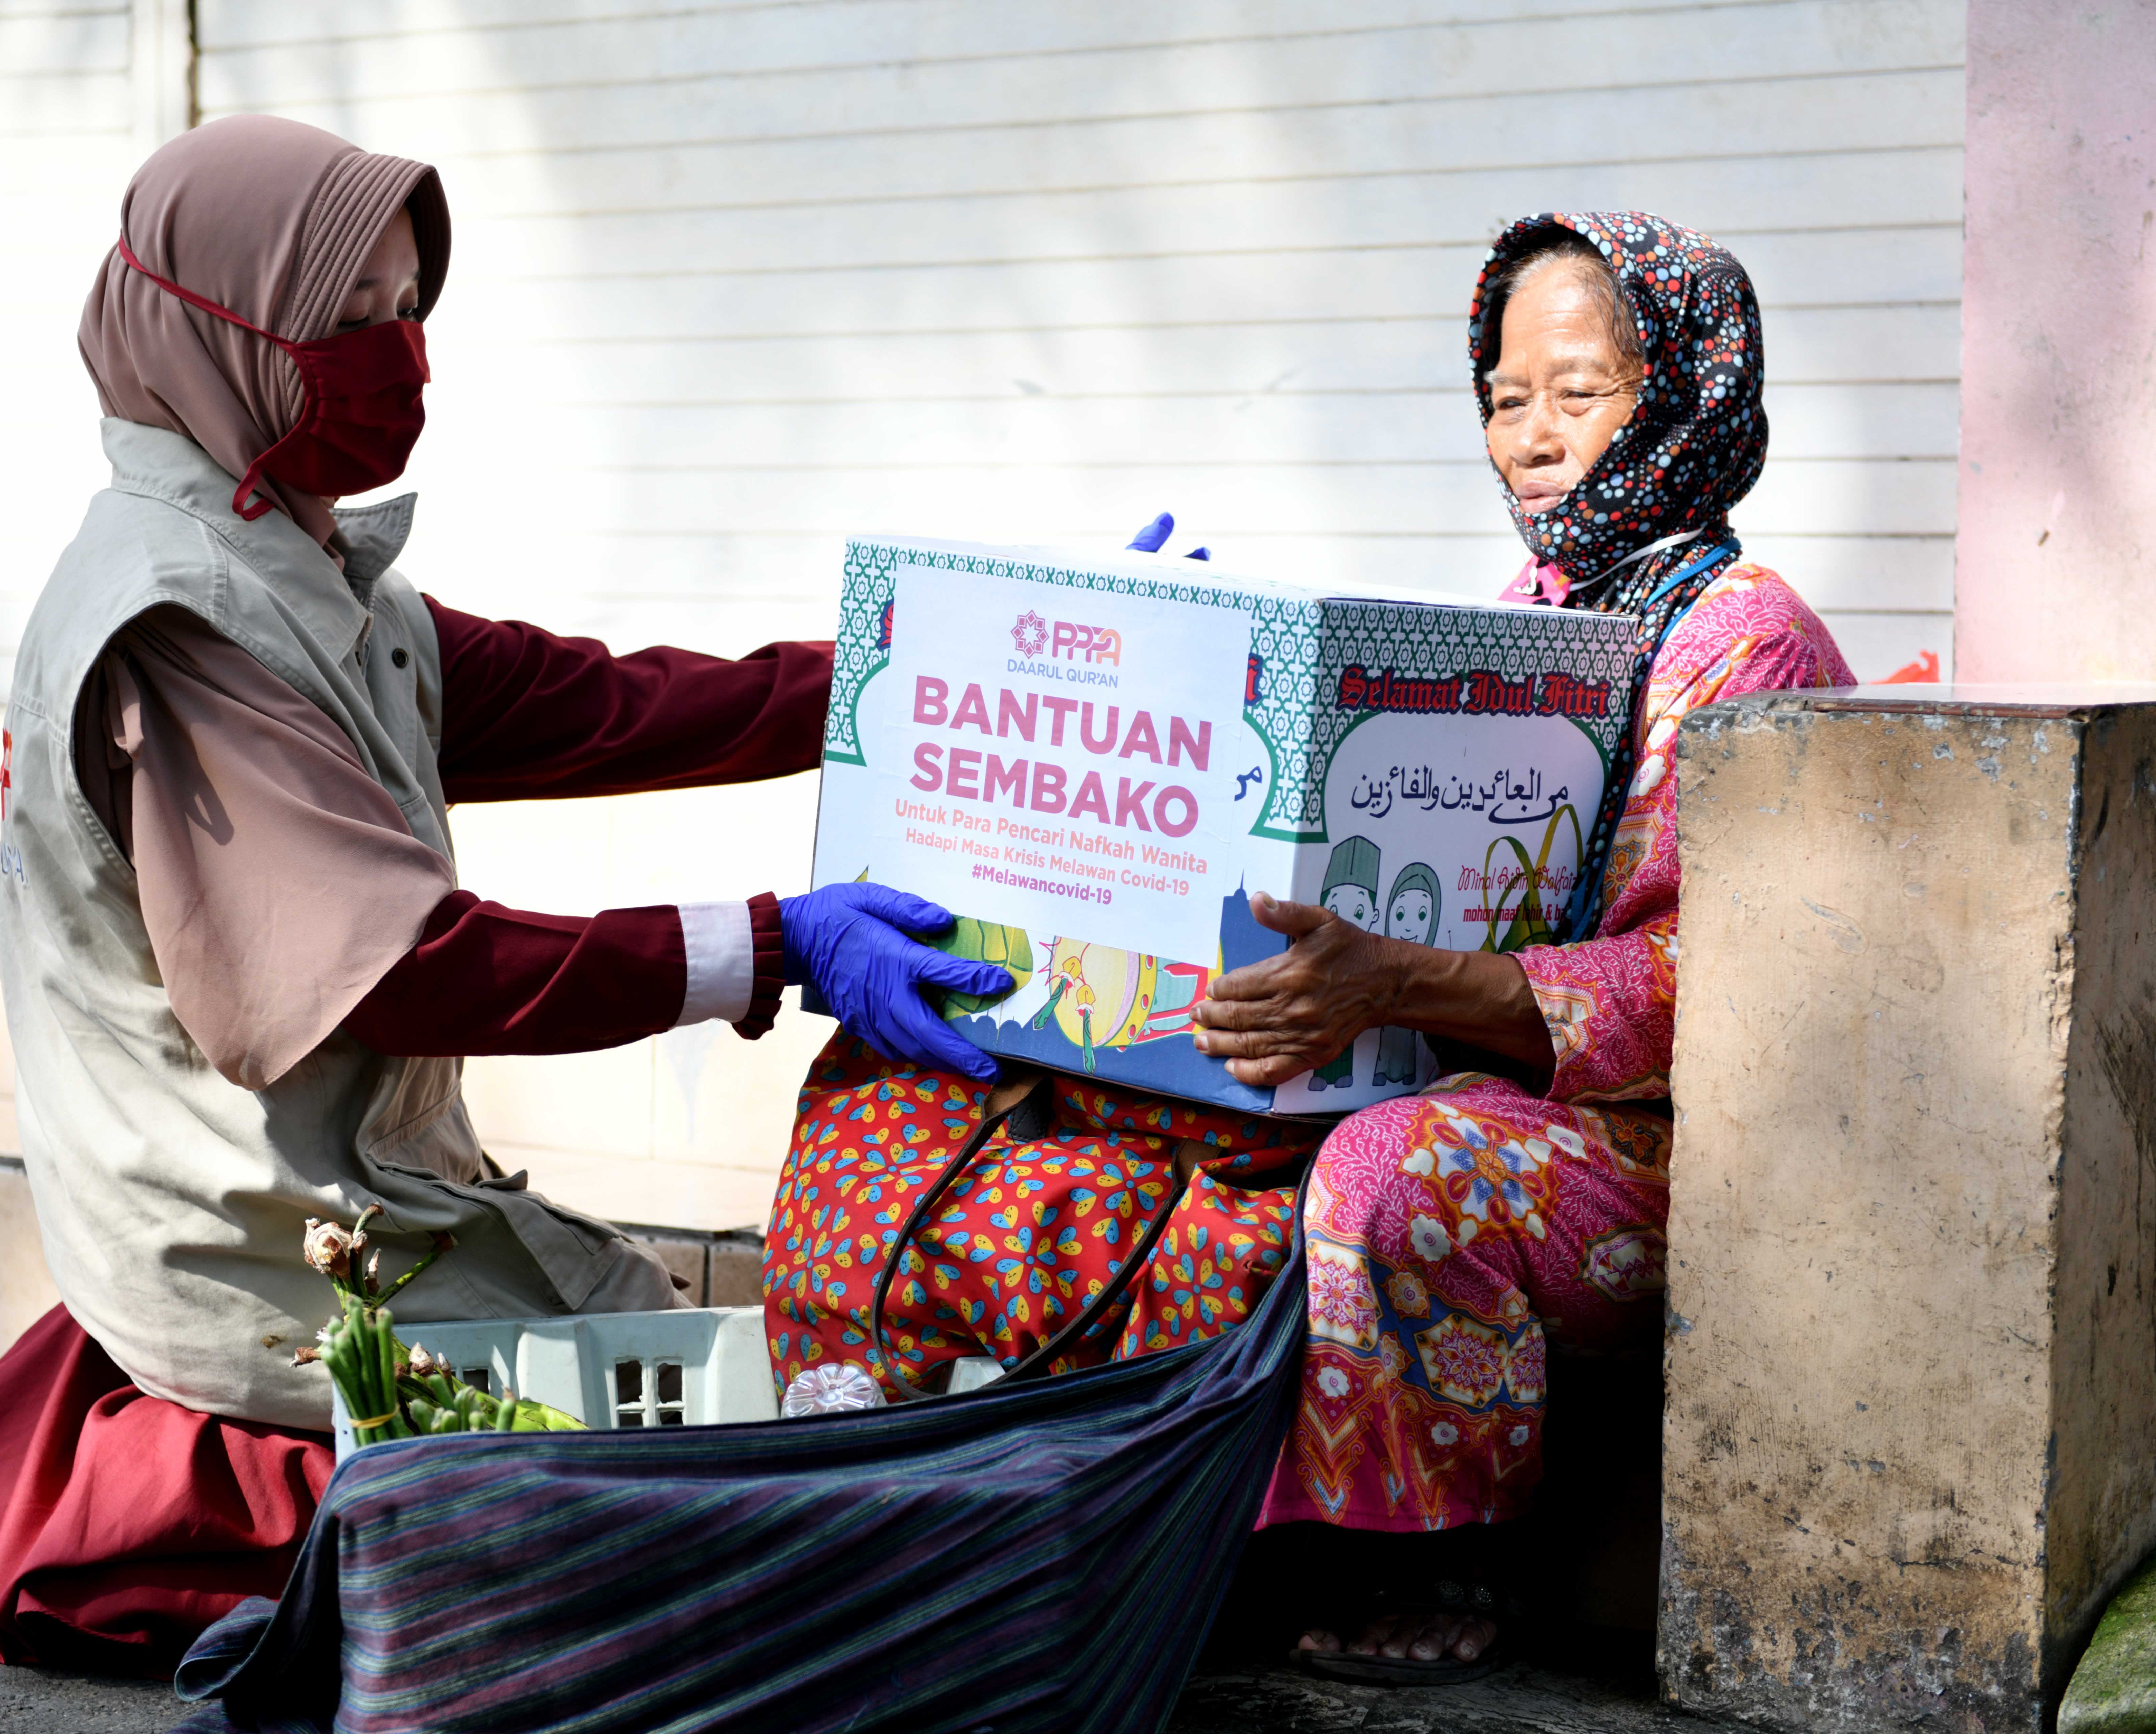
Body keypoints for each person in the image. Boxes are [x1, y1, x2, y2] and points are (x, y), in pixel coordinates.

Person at [0, 114, 1002, 1675]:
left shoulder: (299, 565)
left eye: (409, 311)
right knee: (690, 1506)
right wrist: (765, 946)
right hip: (270, 1224)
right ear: (213, 332)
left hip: (359, 1183)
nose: (397, 357)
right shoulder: (182, 619)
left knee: (700, 1401)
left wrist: (926, 674)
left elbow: (597, 702)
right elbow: (402, 967)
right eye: (346, 321)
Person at [759, 210, 1855, 1678]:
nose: (1533, 436)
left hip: (1667, 1139)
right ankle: (963, 1472)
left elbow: (1710, 989)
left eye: (1579, 393)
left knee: (1389, 1164)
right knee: (1052, 1086)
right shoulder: (1539, 616)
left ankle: (1420, 1550)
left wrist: (1394, 981)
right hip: (1471, 1063)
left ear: (1685, 394)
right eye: (1506, 399)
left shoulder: (1748, 641)